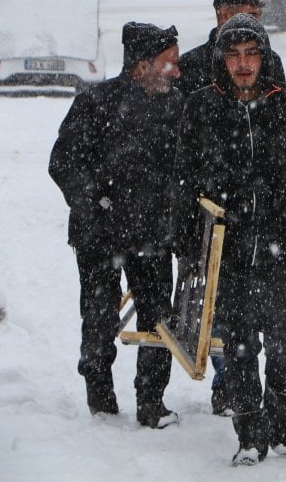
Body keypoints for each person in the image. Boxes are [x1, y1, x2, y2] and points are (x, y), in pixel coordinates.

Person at [170, 13, 286, 466]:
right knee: (241, 345)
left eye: (251, 54)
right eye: (234, 55)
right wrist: (186, 241)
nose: (243, 64)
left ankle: (281, 410)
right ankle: (249, 434)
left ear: (263, 57)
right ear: (221, 60)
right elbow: (184, 181)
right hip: (227, 251)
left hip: (282, 247)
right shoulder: (202, 108)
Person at [49, 22, 183, 429]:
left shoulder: (177, 106)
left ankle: (151, 403)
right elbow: (63, 163)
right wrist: (95, 205)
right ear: (142, 66)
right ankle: (101, 399)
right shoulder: (95, 103)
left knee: (158, 319)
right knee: (99, 315)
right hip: (99, 237)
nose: (176, 72)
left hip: (153, 237)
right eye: (168, 64)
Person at [173, 0, 286, 415]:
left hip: (262, 210)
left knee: (260, 313)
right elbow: (182, 141)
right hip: (215, 206)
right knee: (217, 303)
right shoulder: (194, 66)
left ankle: (247, 389)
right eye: (238, 13)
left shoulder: (269, 61)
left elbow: (282, 125)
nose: (245, 23)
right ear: (219, 14)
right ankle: (230, 385)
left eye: (255, 17)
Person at [175, 0, 286, 95]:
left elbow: (280, 103)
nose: (257, 23)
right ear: (224, 15)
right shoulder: (191, 64)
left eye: (258, 17)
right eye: (251, 16)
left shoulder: (270, 59)